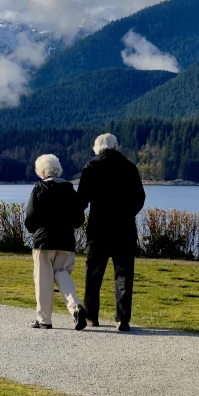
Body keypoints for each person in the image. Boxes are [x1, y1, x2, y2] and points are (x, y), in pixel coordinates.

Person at [77, 133, 145, 332]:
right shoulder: (130, 167)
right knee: (124, 275)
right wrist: (127, 213)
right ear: (116, 146)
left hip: (99, 229)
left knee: (93, 274)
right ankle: (122, 319)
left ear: (97, 148)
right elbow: (139, 198)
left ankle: (91, 316)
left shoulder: (91, 166)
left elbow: (81, 199)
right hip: (124, 229)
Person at [25, 154, 87, 330]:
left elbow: (30, 217)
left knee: (43, 279)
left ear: (42, 172)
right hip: (66, 241)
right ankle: (76, 307)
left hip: (44, 242)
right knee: (61, 273)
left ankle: (44, 320)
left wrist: (34, 230)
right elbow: (78, 219)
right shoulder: (69, 190)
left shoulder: (39, 189)